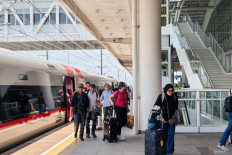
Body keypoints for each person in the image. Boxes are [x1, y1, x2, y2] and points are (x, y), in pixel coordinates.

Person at [154, 84, 179, 155]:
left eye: (172, 91)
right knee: (164, 136)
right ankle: (164, 150)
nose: (171, 92)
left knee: (171, 136)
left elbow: (176, 108)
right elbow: (155, 105)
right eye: (169, 91)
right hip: (163, 120)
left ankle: (169, 152)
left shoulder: (174, 97)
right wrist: (158, 107)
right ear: (166, 90)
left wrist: (177, 117)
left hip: (172, 120)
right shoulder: (161, 96)